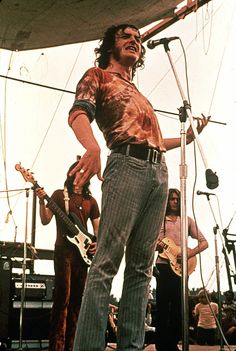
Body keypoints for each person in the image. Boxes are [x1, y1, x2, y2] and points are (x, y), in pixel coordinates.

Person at [67, 23, 209, 350]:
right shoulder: (97, 76)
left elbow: (155, 140)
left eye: (138, 38)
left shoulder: (138, 93)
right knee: (106, 263)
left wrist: (186, 138)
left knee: (142, 268)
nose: (134, 40)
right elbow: (78, 113)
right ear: (110, 46)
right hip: (126, 164)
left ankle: (131, 346)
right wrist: (91, 147)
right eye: (126, 36)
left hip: (158, 170)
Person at [34, 160, 100, 351]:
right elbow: (45, 220)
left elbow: (98, 229)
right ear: (71, 173)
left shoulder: (91, 201)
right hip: (63, 251)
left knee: (77, 302)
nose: (82, 174)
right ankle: (57, 346)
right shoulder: (58, 195)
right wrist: (40, 200)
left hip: (83, 254)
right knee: (62, 299)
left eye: (84, 171)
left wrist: (97, 243)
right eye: (78, 171)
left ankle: (73, 346)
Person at [155, 188, 208, 351]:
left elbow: (204, 242)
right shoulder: (159, 219)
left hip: (181, 268)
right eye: (172, 199)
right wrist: (155, 245)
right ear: (167, 200)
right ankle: (162, 344)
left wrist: (188, 253)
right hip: (163, 266)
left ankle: (173, 343)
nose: (175, 202)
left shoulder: (187, 220)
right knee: (163, 305)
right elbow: (150, 241)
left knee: (179, 305)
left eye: (178, 199)